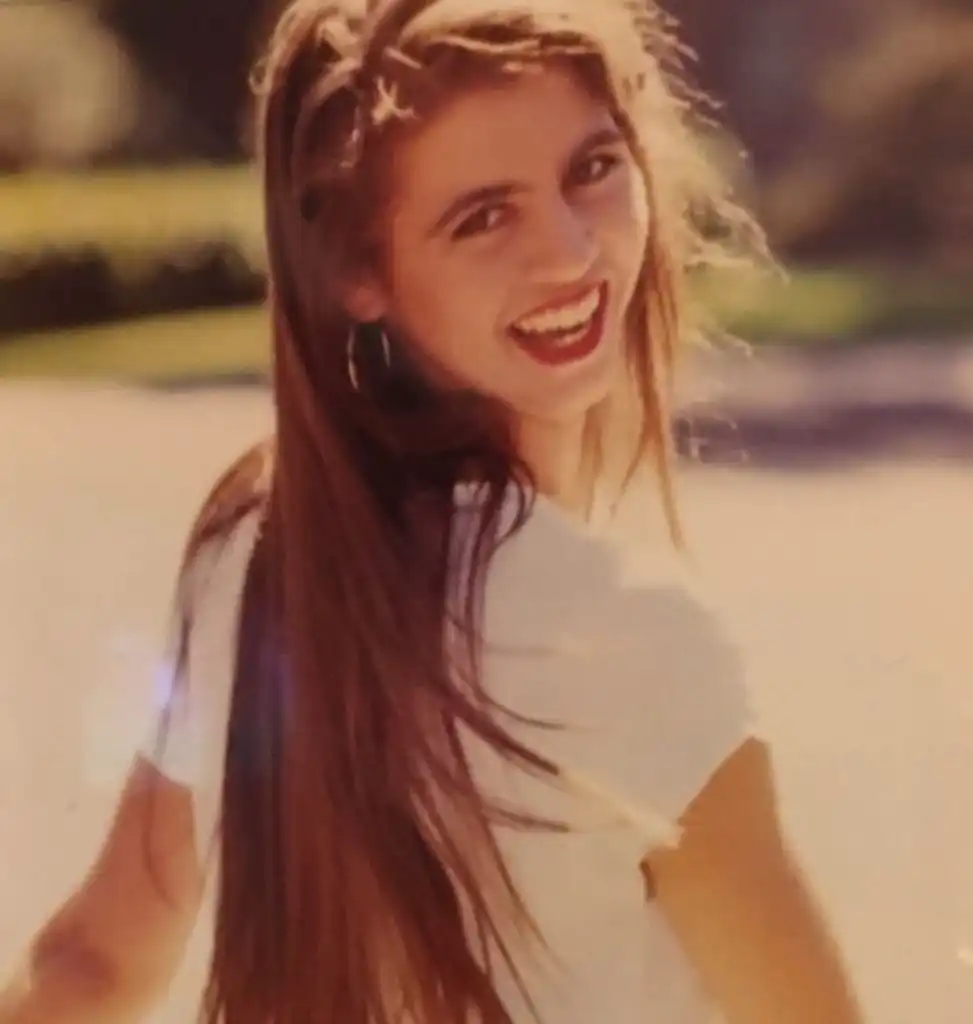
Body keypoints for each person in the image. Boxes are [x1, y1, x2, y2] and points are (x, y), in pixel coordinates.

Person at [0, 0, 864, 1021]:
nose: (568, 253)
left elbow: (95, 964)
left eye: (591, 169)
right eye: (482, 217)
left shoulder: (255, 548)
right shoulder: (631, 638)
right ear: (359, 273)